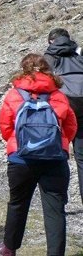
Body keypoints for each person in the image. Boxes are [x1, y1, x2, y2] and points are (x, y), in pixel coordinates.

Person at [0, 53, 77, 256]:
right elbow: (71, 126)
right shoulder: (59, 95)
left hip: (21, 159)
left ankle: (9, 248)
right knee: (55, 208)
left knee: (18, 203)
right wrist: (60, 144)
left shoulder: (14, 95)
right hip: (54, 159)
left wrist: (16, 144)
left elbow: (5, 126)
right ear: (48, 70)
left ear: (23, 70)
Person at [43, 28, 83, 208]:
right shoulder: (79, 53)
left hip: (62, 110)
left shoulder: (48, 58)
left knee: (59, 156)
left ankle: (60, 201)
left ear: (51, 41)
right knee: (82, 159)